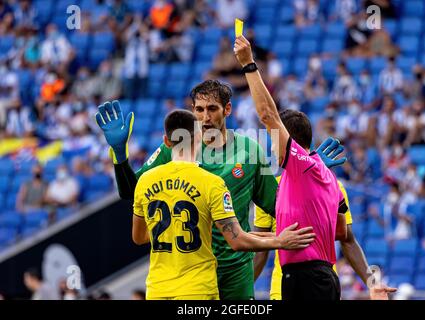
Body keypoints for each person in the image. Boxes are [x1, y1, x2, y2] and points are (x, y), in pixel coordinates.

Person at [96, 88, 345, 299]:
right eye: (199, 109)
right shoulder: (172, 149)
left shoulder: (249, 150)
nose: (205, 117)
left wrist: (309, 173)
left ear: (227, 110)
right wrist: (119, 155)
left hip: (234, 270)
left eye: (212, 109)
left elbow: (279, 204)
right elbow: (131, 190)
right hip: (194, 271)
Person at [233, 35, 391, 300]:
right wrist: (372, 282)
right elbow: (343, 234)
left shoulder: (294, 171)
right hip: (320, 278)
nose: (272, 147)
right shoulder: (326, 177)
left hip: (303, 279)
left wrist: (249, 64)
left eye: (275, 141)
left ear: (289, 143)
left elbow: (268, 114)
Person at [132, 109, 314, 300]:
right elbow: (237, 240)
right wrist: (280, 241)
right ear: (200, 137)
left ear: (166, 141)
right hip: (197, 289)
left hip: (157, 289)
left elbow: (139, 237)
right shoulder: (212, 183)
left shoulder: (145, 181)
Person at [254, 179, 397, 300]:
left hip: (324, 287)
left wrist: (373, 283)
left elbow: (347, 240)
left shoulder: (333, 186)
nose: (273, 148)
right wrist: (242, 291)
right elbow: (260, 250)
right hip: (283, 288)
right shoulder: (271, 188)